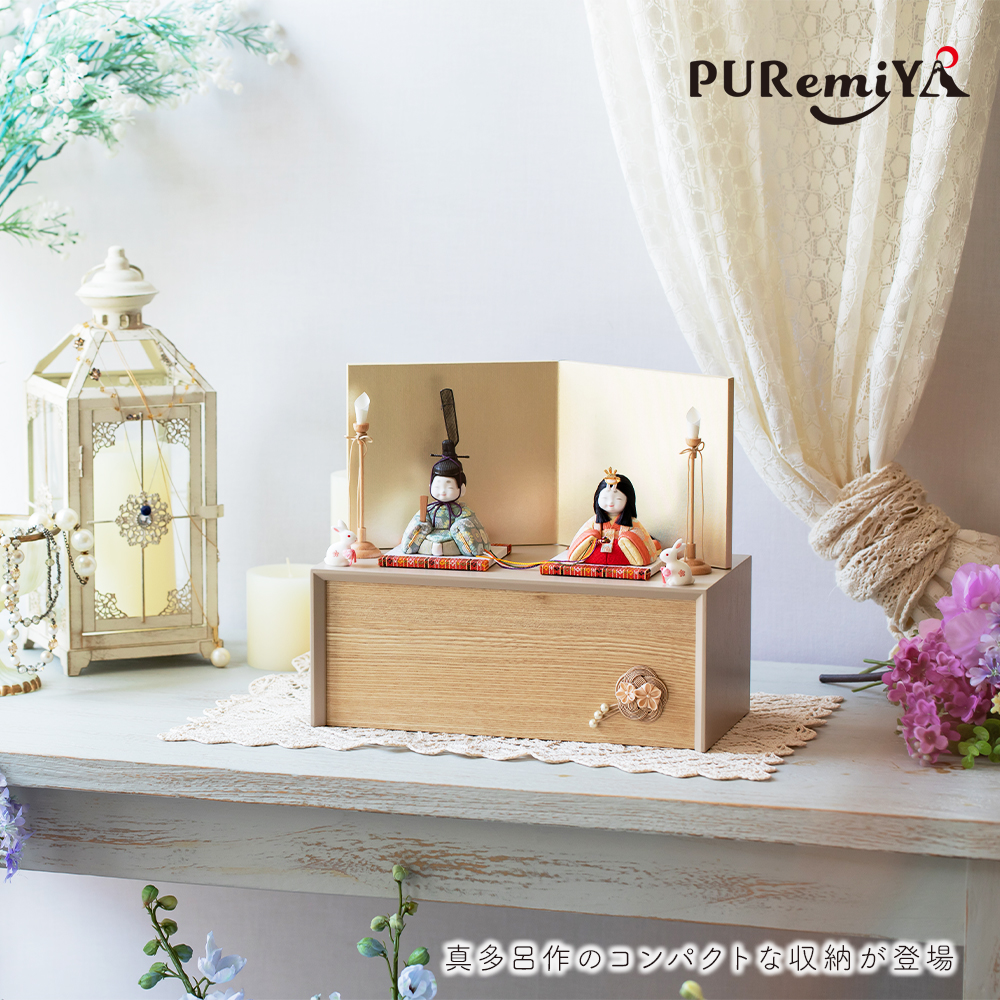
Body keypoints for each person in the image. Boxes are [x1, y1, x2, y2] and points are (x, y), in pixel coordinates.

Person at [399, 445, 490, 557]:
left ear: (462, 489)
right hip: (430, 537)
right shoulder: (430, 510)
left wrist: (459, 527)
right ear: (430, 486)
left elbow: (468, 522)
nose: (442, 491)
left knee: (458, 535)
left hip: (453, 538)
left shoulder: (461, 511)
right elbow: (419, 521)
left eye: (449, 487)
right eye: (437, 487)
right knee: (421, 532)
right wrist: (422, 525)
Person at [565, 469, 658, 566]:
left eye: (618, 499)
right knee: (591, 534)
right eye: (605, 498)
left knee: (629, 537)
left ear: (628, 500)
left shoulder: (632, 522)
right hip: (596, 555)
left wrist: (626, 538)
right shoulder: (594, 521)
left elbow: (641, 538)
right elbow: (583, 536)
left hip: (622, 555)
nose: (610, 502)